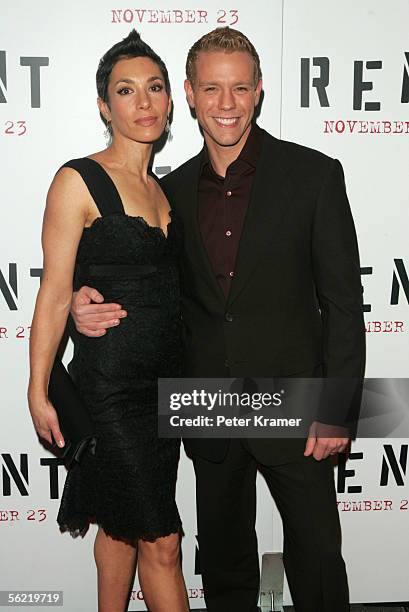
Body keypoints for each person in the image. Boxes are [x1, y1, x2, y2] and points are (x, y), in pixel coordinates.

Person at [71, 27, 365, 612]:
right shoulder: (169, 192)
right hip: (208, 403)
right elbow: (146, 282)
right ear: (190, 93)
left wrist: (337, 408)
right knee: (224, 564)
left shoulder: (314, 176)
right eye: (211, 88)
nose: (225, 105)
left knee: (318, 559)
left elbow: (343, 304)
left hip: (298, 403)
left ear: (259, 91)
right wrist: (84, 301)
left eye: (238, 89)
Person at [27, 30, 189, 612]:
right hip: (110, 391)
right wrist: (38, 386)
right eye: (127, 90)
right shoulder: (78, 179)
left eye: (155, 88)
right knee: (164, 542)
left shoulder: (170, 192)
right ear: (104, 106)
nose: (143, 103)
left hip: (166, 391)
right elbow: (52, 292)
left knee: (121, 529)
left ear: (172, 101)